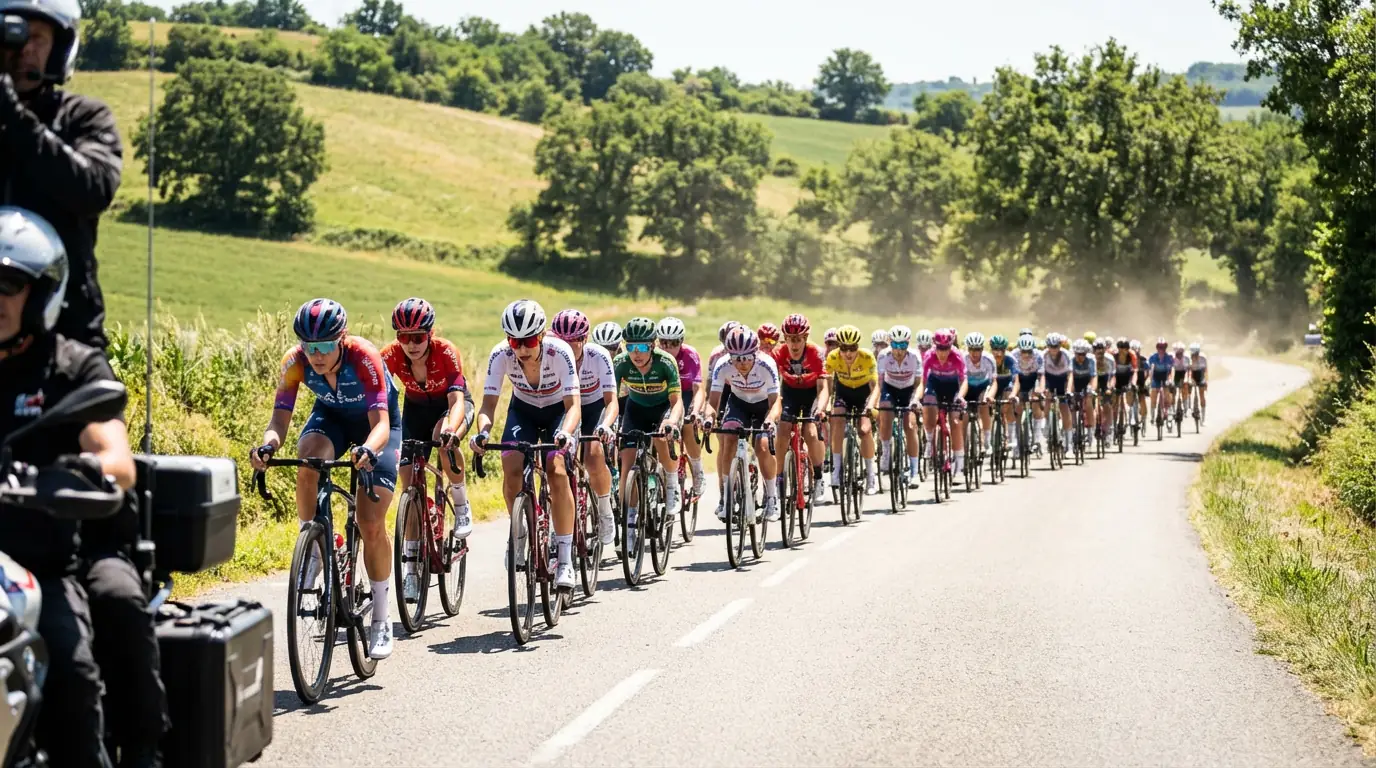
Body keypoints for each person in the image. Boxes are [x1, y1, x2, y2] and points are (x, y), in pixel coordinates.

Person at [0, 207, 135, 768]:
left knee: (75, 675)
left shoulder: (71, 367)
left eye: (9, 285)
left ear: (41, 293)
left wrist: (74, 475)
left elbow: (118, 460)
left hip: (40, 563)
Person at [251, 298, 401, 660]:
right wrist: (268, 445)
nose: (316, 355)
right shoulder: (294, 362)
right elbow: (279, 421)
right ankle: (314, 546)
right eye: (309, 346)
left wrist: (367, 449)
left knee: (370, 522)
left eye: (324, 346)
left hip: (377, 425)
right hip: (330, 418)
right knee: (308, 463)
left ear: (342, 339)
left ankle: (381, 618)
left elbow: (381, 423)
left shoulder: (364, 356)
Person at [0, 0, 122, 350]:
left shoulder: (84, 117)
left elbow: (94, 189)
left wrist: (15, 118)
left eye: (37, 37)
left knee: (99, 401)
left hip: (68, 329)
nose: (24, 49)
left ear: (60, 49)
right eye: (12, 35)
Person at [470, 299, 581, 589]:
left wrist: (567, 433)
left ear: (542, 336)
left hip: (559, 411)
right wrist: (482, 432)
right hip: (524, 411)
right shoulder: (500, 355)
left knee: (556, 469)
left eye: (528, 340)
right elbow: (488, 406)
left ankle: (566, 560)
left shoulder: (560, 352)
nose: (521, 349)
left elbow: (574, 406)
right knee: (511, 466)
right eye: (514, 341)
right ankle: (519, 534)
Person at [380, 298, 473, 604]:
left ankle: (460, 502)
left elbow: (457, 401)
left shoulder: (446, 352)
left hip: (451, 407)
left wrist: (451, 430)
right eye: (404, 337)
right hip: (416, 409)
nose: (411, 344)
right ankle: (410, 569)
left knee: (442, 439)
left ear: (429, 334)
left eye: (418, 337)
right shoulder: (391, 356)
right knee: (407, 482)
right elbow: (376, 396)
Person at [612, 318, 683, 547]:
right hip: (636, 409)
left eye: (642, 347)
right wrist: (609, 422)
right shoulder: (621, 363)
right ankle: (630, 520)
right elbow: (611, 399)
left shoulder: (666, 362)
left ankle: (671, 487)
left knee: (663, 439)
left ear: (653, 345)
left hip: (663, 409)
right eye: (631, 346)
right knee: (626, 465)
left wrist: (672, 420)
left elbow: (677, 401)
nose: (636, 353)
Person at [551, 309, 618, 545]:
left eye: (575, 341)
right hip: (565, 407)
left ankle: (604, 509)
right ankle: (556, 520)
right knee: (552, 459)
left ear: (585, 339)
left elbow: (611, 402)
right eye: (562, 341)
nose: (568, 347)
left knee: (593, 456)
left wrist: (606, 426)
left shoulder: (599, 356)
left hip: (594, 408)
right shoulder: (550, 355)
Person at [706, 326, 781, 521]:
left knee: (763, 446)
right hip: (739, 404)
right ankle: (725, 497)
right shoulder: (722, 365)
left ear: (755, 353)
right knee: (728, 439)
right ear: (729, 354)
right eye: (736, 358)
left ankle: (772, 497)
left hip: (764, 405)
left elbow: (776, 403)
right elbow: (713, 402)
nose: (742, 363)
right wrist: (707, 418)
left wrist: (771, 421)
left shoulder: (767, 364)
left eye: (747, 357)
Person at [771, 313, 828, 504]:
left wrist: (820, 409)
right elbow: (773, 385)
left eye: (798, 339)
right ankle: (778, 480)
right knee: (783, 430)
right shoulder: (779, 353)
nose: (794, 345)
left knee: (810, 432)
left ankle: (819, 476)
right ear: (784, 339)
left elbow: (823, 388)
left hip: (811, 393)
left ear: (805, 338)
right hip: (790, 393)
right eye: (789, 339)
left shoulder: (815, 353)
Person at [822, 325, 880, 495]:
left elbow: (875, 386)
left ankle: (871, 474)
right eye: (844, 348)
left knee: (864, 430)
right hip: (843, 393)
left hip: (864, 395)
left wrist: (871, 406)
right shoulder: (832, 358)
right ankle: (837, 470)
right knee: (837, 419)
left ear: (858, 347)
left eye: (852, 348)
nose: (848, 353)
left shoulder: (867, 357)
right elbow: (828, 385)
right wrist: (826, 406)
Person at [656, 317, 707, 501]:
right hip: (662, 397)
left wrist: (695, 411)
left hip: (684, 396)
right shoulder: (653, 356)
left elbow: (698, 389)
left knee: (687, 425)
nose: (668, 347)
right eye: (664, 342)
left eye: (674, 343)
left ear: (682, 341)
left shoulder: (690, 355)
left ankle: (698, 470)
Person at [920, 329, 969, 480]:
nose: (942, 352)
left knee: (955, 421)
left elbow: (964, 381)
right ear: (935, 346)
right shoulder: (929, 355)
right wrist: (918, 398)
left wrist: (960, 397)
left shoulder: (957, 356)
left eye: (946, 348)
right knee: (928, 407)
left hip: (953, 387)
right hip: (934, 385)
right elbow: (923, 381)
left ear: (951, 346)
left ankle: (959, 467)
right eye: (940, 348)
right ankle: (929, 441)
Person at [876, 325, 921, 486]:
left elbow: (918, 383)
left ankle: (914, 470)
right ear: (890, 343)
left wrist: (915, 400)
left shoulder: (915, 356)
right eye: (895, 345)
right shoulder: (883, 356)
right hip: (890, 389)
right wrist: (879, 401)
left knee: (910, 425)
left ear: (908, 344)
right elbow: (880, 382)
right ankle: (886, 452)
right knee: (885, 416)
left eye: (903, 345)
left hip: (909, 390)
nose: (899, 350)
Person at [1187, 341, 1208, 421]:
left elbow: (1206, 371)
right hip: (1192, 375)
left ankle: (1203, 417)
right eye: (1193, 354)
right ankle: (1188, 406)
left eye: (1196, 353)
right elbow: (1187, 371)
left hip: (1200, 375)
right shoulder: (1188, 358)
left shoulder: (1203, 358)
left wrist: (1206, 381)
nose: (1194, 356)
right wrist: (1188, 380)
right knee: (1187, 388)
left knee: (1202, 395)